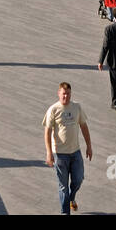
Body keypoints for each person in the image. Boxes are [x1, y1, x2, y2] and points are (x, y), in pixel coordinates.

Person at [43, 82, 93, 215]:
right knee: (63, 186)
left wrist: (89, 146)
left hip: (75, 152)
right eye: (63, 94)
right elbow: (47, 132)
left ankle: (71, 198)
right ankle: (65, 212)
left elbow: (84, 126)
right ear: (59, 94)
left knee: (78, 179)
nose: (66, 96)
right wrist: (49, 153)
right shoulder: (53, 109)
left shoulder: (77, 107)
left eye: (68, 94)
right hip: (60, 155)